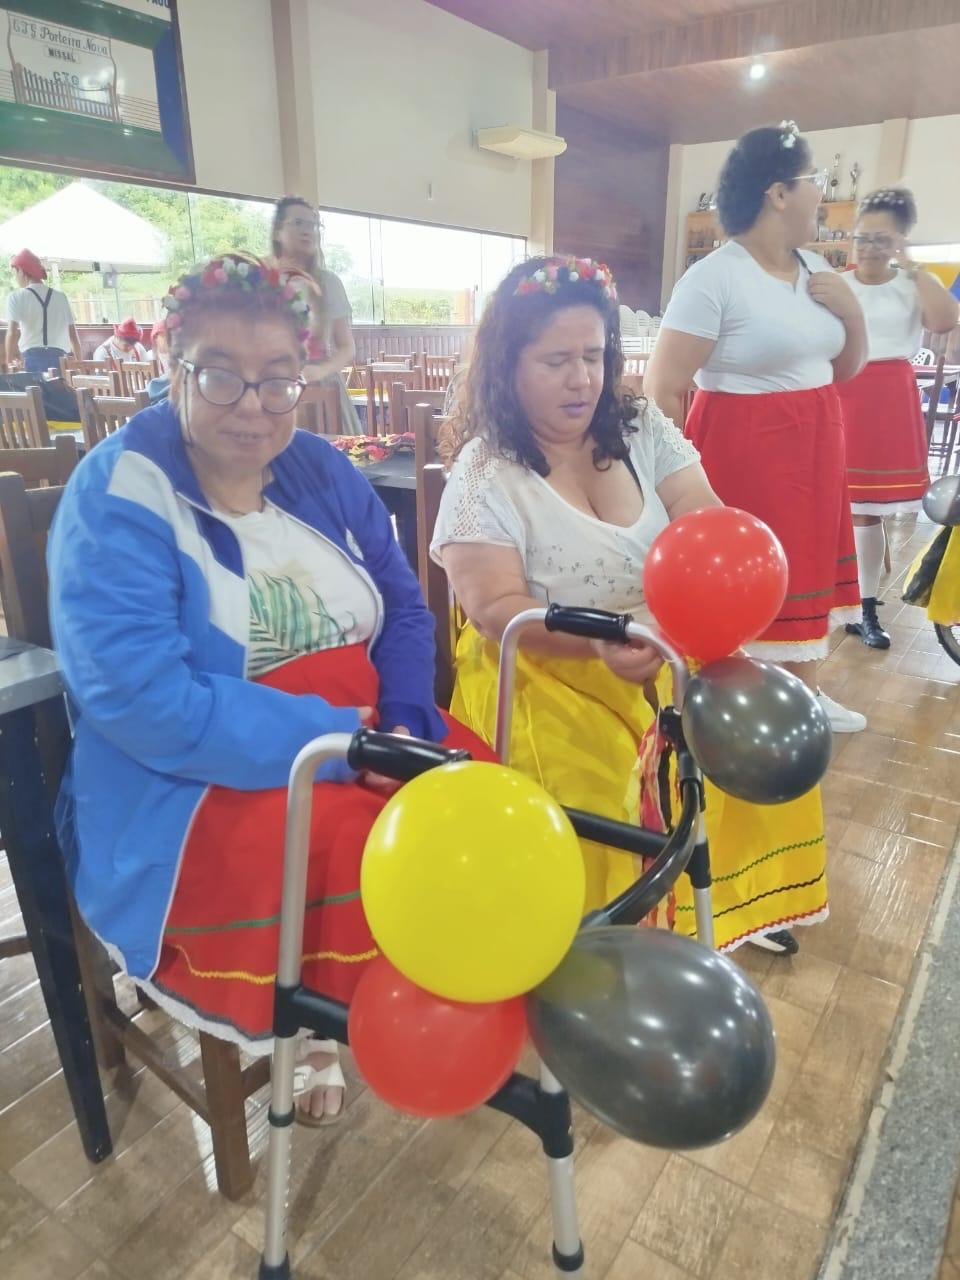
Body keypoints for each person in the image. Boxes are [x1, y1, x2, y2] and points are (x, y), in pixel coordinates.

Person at [48, 254, 490, 1124]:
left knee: (474, 791)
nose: (253, 405)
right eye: (221, 375)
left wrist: (405, 721)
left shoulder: (320, 468)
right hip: (196, 774)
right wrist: (346, 744)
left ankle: (437, 998)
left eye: (278, 380)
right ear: (173, 362)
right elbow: (145, 703)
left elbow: (405, 607)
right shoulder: (120, 494)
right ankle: (319, 1023)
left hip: (365, 725)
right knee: (357, 842)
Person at [433, 256, 829, 955]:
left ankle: (715, 895)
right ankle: (599, 948)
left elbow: (703, 512)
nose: (582, 379)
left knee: (753, 739)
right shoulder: (485, 468)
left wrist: (697, 607)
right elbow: (495, 607)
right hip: (544, 666)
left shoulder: (640, 425)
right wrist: (601, 642)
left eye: (593, 355)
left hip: (667, 638)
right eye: (556, 360)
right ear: (508, 366)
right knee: (597, 789)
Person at [645, 122, 869, 733]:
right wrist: (670, 486)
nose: (820, 194)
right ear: (779, 192)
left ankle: (805, 693)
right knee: (745, 570)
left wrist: (852, 314)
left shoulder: (817, 270)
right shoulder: (714, 277)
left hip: (816, 442)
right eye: (813, 181)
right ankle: (728, 702)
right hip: (744, 447)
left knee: (807, 565)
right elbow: (663, 387)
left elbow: (842, 367)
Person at [839, 187, 959, 648]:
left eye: (881, 239)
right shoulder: (837, 283)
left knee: (868, 511)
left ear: (899, 240)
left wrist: (912, 267)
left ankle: (864, 608)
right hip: (838, 392)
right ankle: (833, 600)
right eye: (862, 237)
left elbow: (945, 319)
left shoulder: (912, 282)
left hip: (887, 397)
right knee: (835, 507)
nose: (869, 248)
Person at [269, 195, 361, 433]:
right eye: (298, 223)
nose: (307, 231)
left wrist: (320, 370)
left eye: (313, 225)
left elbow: (346, 347)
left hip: (321, 389)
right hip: (271, 388)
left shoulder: (328, 283)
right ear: (278, 231)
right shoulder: (258, 280)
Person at [5, 248, 81, 374]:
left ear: (21, 271)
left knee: (34, 388)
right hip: (60, 359)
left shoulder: (15, 297)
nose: (16, 277)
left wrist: (8, 362)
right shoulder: (61, 297)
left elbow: (12, 333)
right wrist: (80, 364)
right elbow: (73, 335)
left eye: (16, 272)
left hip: (31, 359)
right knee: (59, 387)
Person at [146, 318, 171, 403]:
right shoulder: (149, 356)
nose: (168, 340)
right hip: (153, 399)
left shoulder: (180, 356)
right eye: (164, 336)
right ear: (155, 337)